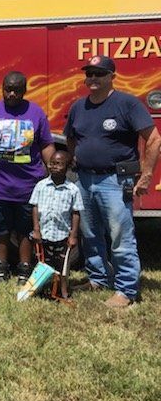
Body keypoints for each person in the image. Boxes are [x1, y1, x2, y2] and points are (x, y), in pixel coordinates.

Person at [64, 55, 161, 307]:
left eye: (99, 73)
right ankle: (98, 278)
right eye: (89, 73)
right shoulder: (78, 107)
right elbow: (71, 138)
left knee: (120, 236)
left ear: (112, 77)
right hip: (84, 179)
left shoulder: (127, 104)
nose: (93, 78)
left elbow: (153, 139)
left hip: (116, 180)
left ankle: (126, 290)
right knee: (90, 233)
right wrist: (76, 158)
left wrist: (146, 175)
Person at [0, 71, 55, 285]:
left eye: (17, 90)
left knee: (25, 230)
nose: (12, 94)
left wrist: (52, 176)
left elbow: (46, 145)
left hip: (28, 185)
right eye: (8, 89)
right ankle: (1, 266)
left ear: (24, 90)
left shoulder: (36, 112)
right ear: (2, 88)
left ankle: (25, 267)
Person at [29, 151, 84, 301]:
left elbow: (76, 213)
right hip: (44, 233)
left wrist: (73, 235)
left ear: (67, 167)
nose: (54, 166)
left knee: (63, 266)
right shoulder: (41, 186)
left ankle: (63, 291)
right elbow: (34, 207)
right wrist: (36, 229)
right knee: (43, 263)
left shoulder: (72, 189)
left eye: (59, 164)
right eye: (52, 163)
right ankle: (42, 289)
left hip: (62, 235)